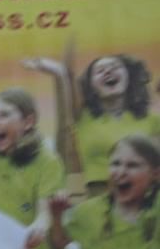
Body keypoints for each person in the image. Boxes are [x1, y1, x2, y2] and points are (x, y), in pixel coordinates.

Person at [0, 53, 65, 249]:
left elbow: (44, 214)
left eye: (4, 115)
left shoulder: (47, 160)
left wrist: (39, 227)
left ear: (28, 121)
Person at [24, 53, 160, 196]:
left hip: (148, 197)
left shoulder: (153, 120)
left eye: (115, 67)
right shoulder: (82, 117)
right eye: (100, 71)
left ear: (129, 77)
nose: (108, 71)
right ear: (91, 86)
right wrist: (59, 72)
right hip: (99, 197)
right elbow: (66, 89)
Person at [49, 134, 160, 249]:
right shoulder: (89, 211)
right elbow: (58, 244)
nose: (121, 172)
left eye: (132, 165)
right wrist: (56, 216)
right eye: (115, 164)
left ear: (156, 173)